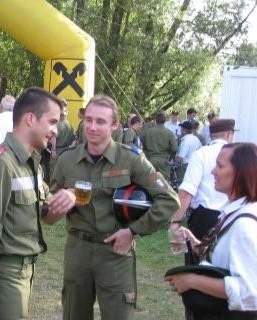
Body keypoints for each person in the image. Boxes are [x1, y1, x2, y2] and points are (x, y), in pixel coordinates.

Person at [51, 95, 179, 320]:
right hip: (78, 250)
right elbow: (48, 207)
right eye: (88, 120)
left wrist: (132, 231)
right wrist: (60, 202)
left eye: (100, 121)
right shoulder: (66, 161)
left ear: (114, 125)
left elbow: (169, 200)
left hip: (115, 252)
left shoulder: (131, 159)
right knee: (73, 314)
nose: (92, 127)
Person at [0, 87, 77, 320]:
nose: (55, 131)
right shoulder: (0, 164)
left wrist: (66, 200)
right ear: (30, 119)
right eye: (52, 122)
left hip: (24, 272)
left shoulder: (31, 163)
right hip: (5, 274)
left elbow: (46, 216)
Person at [166, 142, 257, 319]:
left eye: (220, 166)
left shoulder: (245, 224)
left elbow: (249, 292)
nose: (213, 171)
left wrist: (192, 280)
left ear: (241, 172)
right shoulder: (233, 211)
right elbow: (224, 260)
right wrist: (194, 243)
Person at [170, 119, 236, 240]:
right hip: (231, 217)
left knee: (198, 251)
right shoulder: (238, 155)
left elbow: (186, 192)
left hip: (204, 218)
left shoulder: (201, 153)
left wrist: (175, 221)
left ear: (211, 135)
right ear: (229, 134)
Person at [141, 110, 178, 179]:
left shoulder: (148, 132)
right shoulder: (169, 133)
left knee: (150, 181)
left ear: (156, 120)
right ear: (164, 121)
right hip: (164, 162)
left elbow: (142, 143)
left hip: (150, 160)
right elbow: (174, 148)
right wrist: (171, 157)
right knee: (164, 182)